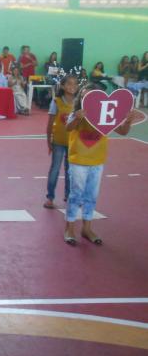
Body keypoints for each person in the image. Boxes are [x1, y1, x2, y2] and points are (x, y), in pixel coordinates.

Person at [63, 83, 140, 246]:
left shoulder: (106, 116)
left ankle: (87, 228)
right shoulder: (76, 113)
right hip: (78, 160)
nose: (85, 98)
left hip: (97, 161)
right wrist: (77, 117)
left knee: (91, 196)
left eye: (90, 96)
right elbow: (68, 128)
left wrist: (127, 121)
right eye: (83, 96)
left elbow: (123, 131)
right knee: (76, 195)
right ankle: (69, 228)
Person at [44, 75, 77, 209]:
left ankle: (68, 195)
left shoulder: (79, 103)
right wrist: (49, 140)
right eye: (69, 84)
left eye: (75, 84)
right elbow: (50, 123)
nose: (72, 86)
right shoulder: (56, 102)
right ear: (62, 86)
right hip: (58, 141)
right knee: (55, 169)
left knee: (70, 171)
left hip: (73, 142)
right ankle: (50, 197)